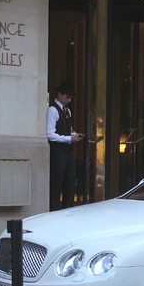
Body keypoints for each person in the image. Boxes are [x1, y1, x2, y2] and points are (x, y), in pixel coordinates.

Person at [47, 80, 83, 211]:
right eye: (67, 97)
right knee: (56, 184)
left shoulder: (67, 111)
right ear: (60, 94)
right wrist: (69, 138)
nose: (69, 100)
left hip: (67, 151)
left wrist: (73, 134)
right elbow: (50, 134)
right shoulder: (52, 110)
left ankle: (67, 209)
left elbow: (65, 128)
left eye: (71, 97)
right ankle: (55, 210)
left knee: (70, 182)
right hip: (57, 152)